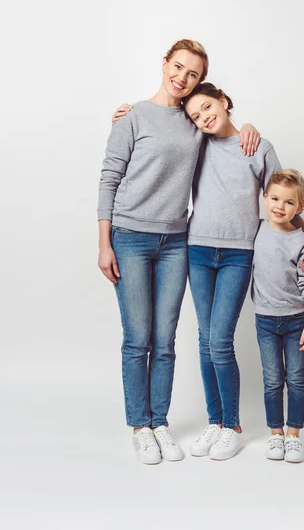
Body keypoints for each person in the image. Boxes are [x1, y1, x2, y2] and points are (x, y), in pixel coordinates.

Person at [98, 39, 260, 465]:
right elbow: (109, 179)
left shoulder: (194, 119)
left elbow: (223, 130)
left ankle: (160, 423)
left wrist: (248, 127)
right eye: (178, 67)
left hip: (176, 242)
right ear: (165, 63)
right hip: (129, 237)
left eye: (192, 74)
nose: (182, 77)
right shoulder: (133, 116)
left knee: (165, 340)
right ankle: (140, 426)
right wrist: (104, 243)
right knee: (138, 339)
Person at [179, 85, 304, 461]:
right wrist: (128, 115)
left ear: (224, 101)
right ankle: (216, 420)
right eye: (195, 114)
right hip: (198, 249)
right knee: (205, 339)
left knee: (220, 340)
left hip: (239, 253)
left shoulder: (257, 146)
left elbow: (283, 197)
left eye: (208, 107)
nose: (203, 117)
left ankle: (233, 428)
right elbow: (162, 135)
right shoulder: (196, 142)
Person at [251, 169, 304, 463]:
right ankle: (275, 433)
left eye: (289, 203)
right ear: (265, 199)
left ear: (300, 207)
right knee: (272, 380)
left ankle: (293, 435)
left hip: (295, 322)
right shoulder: (256, 230)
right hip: (265, 321)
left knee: (297, 379)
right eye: (275, 199)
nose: (280, 206)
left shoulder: (301, 242)